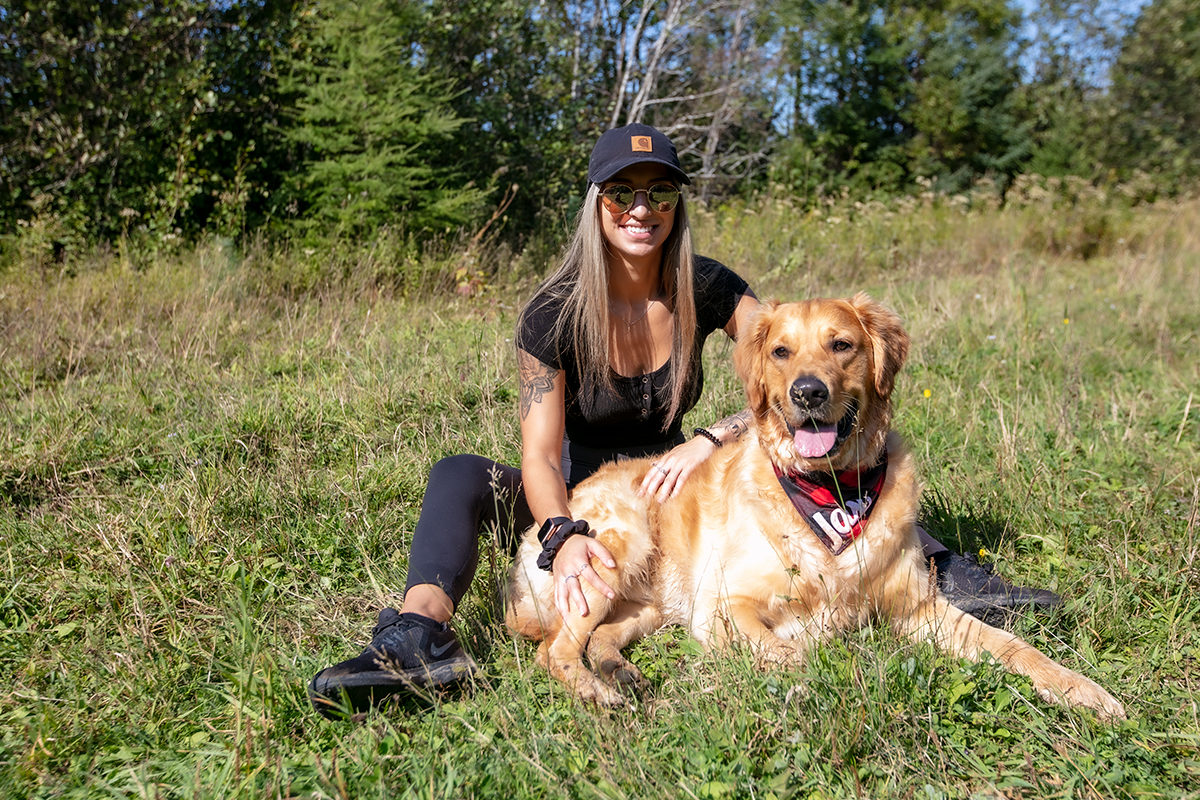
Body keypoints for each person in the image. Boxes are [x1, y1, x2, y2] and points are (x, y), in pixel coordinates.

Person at [308, 123, 1056, 718]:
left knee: (844, 460)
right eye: (622, 193)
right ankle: (417, 634)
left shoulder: (705, 284)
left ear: (677, 205)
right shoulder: (552, 312)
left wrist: (708, 438)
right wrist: (563, 537)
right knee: (458, 474)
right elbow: (538, 456)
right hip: (571, 491)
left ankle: (944, 573)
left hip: (675, 479)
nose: (642, 208)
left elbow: (791, 372)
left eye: (660, 192)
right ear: (597, 203)